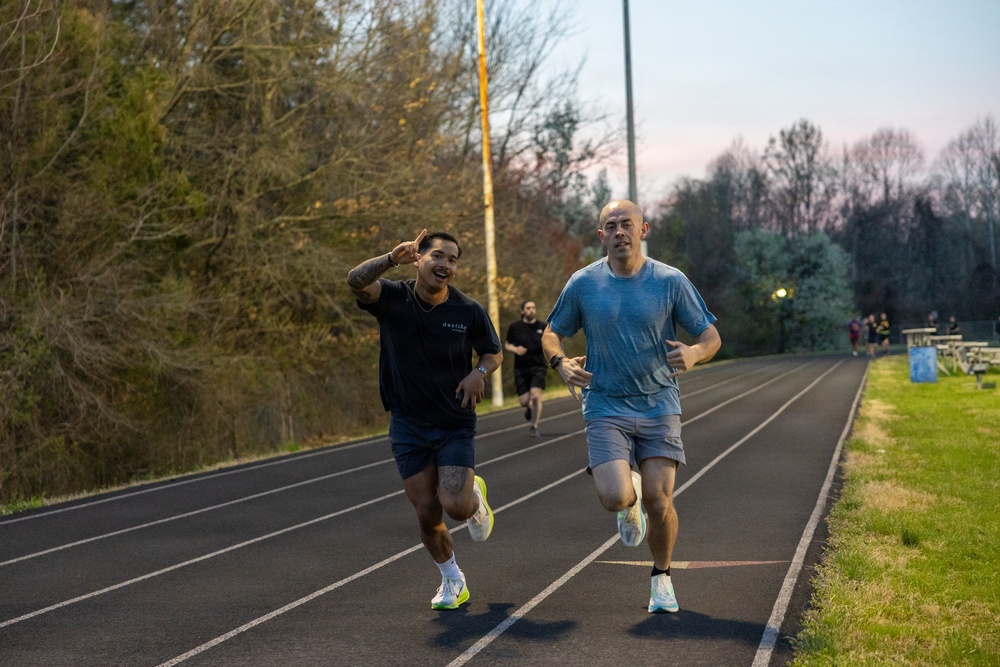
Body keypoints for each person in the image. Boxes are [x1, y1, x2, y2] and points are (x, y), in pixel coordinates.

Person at [541, 199, 721, 614]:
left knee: (660, 502)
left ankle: (661, 578)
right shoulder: (583, 284)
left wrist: (694, 353)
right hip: (604, 404)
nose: (619, 231)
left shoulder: (670, 281)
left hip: (659, 404)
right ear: (601, 235)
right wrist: (560, 362)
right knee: (613, 497)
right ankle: (628, 498)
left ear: (644, 230)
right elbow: (552, 333)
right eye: (610, 225)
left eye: (627, 224)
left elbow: (711, 337)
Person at [347, 229, 502, 611]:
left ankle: (474, 497)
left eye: (452, 260)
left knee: (456, 507)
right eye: (438, 256)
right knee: (427, 513)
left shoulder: (468, 311)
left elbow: (493, 353)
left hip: (453, 422)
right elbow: (355, 281)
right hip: (408, 425)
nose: (445, 265)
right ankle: (453, 580)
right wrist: (388, 258)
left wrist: (478, 374)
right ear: (419, 258)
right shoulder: (393, 298)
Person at [504, 300, 548, 436]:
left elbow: (550, 344)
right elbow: (507, 344)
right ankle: (529, 408)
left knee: (536, 395)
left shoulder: (543, 326)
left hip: (538, 366)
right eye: (528, 308)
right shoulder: (515, 327)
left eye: (533, 308)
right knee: (524, 401)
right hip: (521, 368)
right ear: (522, 311)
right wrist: (515, 349)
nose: (531, 310)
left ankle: (534, 426)